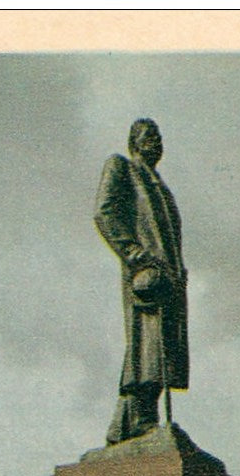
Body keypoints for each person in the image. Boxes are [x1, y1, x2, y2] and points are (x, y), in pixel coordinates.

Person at [94, 118, 189, 444]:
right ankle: (139, 418)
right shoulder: (122, 167)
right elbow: (104, 212)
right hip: (146, 275)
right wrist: (132, 253)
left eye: (160, 137)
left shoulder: (161, 186)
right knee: (146, 348)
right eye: (149, 136)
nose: (156, 142)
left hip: (169, 280)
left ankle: (127, 422)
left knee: (162, 349)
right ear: (134, 142)